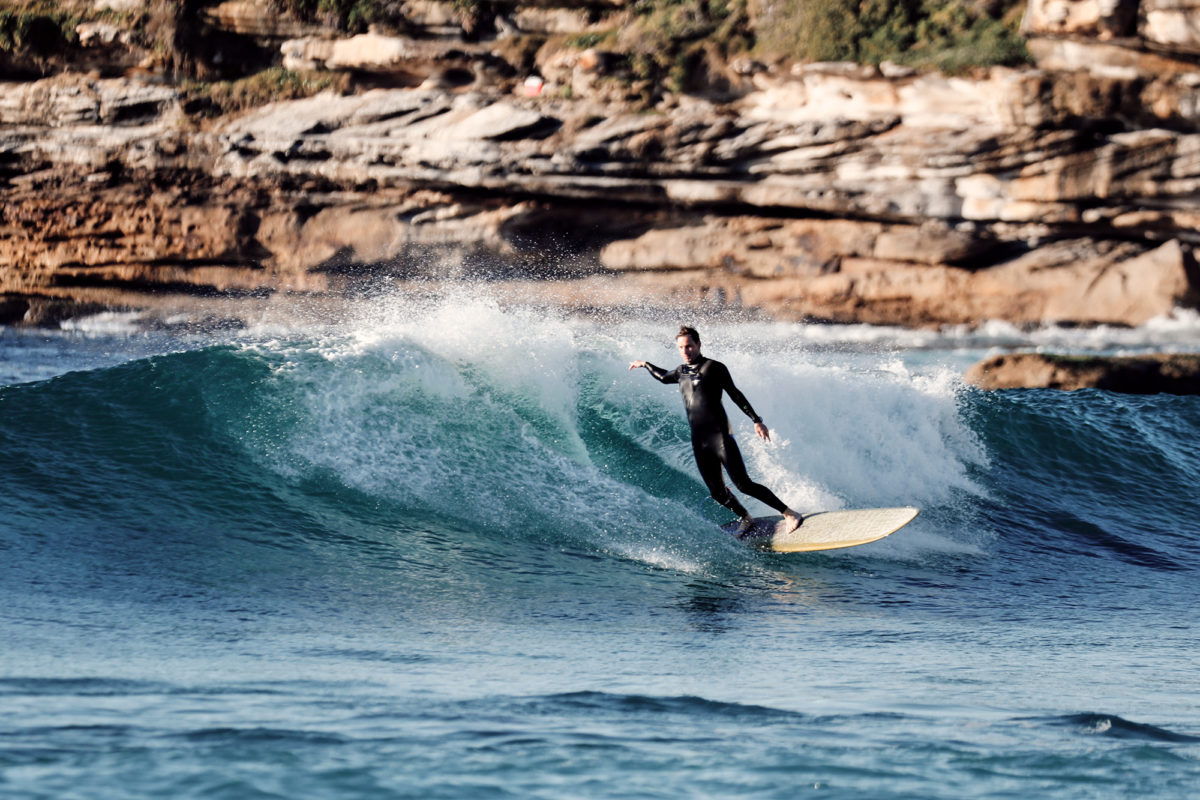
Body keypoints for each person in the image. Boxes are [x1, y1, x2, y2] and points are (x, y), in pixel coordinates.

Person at [630, 326, 803, 535]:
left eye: (689, 346)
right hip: (699, 441)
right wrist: (644, 364)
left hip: (720, 437)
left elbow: (735, 394)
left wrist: (756, 420)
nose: (686, 351)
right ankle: (745, 517)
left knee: (743, 484)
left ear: (698, 345)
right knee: (717, 493)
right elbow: (663, 376)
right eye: (681, 347)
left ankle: (789, 513)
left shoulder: (714, 368)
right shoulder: (680, 371)